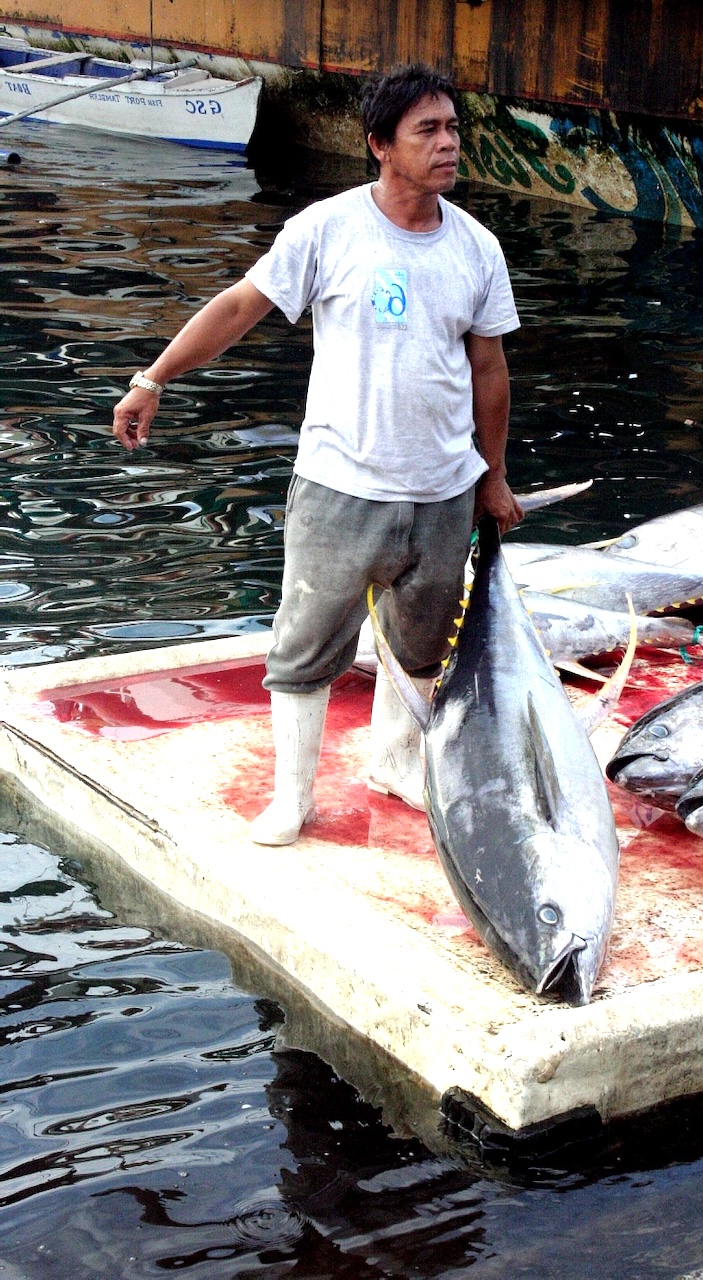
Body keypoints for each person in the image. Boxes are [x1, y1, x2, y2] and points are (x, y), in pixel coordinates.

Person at [112, 63, 524, 845]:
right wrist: (152, 378)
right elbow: (239, 307)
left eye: (453, 129)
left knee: (421, 642)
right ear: (380, 145)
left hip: (443, 486)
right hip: (340, 482)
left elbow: (490, 370)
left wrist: (492, 476)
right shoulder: (327, 228)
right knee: (302, 649)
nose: (448, 145)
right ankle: (293, 796)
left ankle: (394, 762)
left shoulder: (478, 247)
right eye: (427, 131)